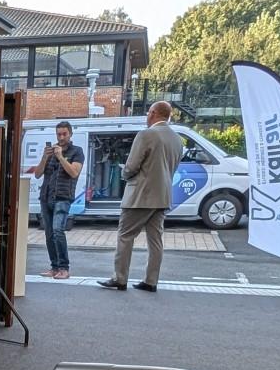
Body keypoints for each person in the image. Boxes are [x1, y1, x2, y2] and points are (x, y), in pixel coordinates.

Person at [99, 101, 183, 293]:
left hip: (140, 195)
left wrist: (124, 175)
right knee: (155, 240)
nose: (147, 116)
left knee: (125, 236)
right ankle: (151, 280)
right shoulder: (177, 139)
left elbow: (131, 166)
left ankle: (119, 278)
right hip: (162, 196)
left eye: (148, 112)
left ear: (153, 113)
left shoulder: (147, 134)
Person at [33, 120, 84, 280]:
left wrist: (61, 157)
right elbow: (37, 174)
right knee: (49, 234)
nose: (61, 137)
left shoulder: (77, 151)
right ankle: (54, 267)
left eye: (64, 134)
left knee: (57, 230)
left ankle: (64, 267)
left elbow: (74, 172)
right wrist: (44, 157)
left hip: (63, 197)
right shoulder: (51, 152)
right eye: (58, 134)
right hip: (46, 196)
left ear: (70, 134)